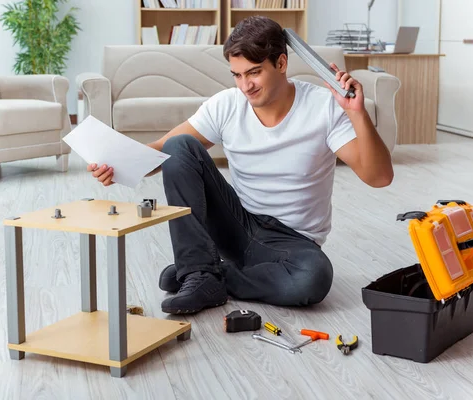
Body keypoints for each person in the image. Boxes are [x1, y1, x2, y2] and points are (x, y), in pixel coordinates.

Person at [88, 16, 394, 315]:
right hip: (238, 224)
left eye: (254, 72)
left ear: (282, 63)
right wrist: (116, 163)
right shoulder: (227, 105)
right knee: (179, 146)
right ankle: (199, 272)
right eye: (237, 75)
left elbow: (379, 177)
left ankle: (204, 273)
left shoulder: (323, 107)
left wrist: (357, 113)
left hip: (291, 243)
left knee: (313, 278)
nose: (245, 85)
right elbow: (161, 150)